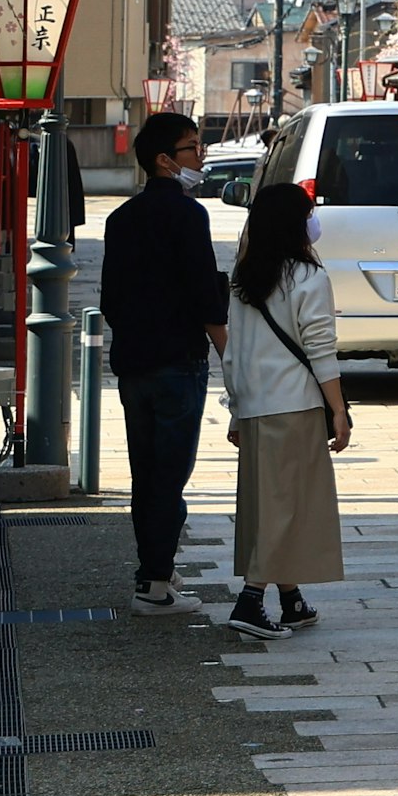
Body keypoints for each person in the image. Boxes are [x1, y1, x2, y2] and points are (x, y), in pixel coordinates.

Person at [101, 113, 230, 613]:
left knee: (146, 473)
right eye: (192, 149)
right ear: (164, 160)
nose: (200, 158)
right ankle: (154, 583)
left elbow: (111, 299)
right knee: (169, 476)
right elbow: (205, 296)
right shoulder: (187, 214)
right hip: (179, 362)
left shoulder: (120, 219)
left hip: (134, 363)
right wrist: (229, 358)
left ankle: (157, 571)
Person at [222, 181, 350, 642]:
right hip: (294, 406)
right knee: (286, 505)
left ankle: (290, 598)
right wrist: (339, 410)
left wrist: (237, 410)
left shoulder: (244, 282)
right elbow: (321, 350)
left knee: (269, 503)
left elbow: (232, 354)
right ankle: (252, 599)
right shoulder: (310, 279)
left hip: (256, 408)